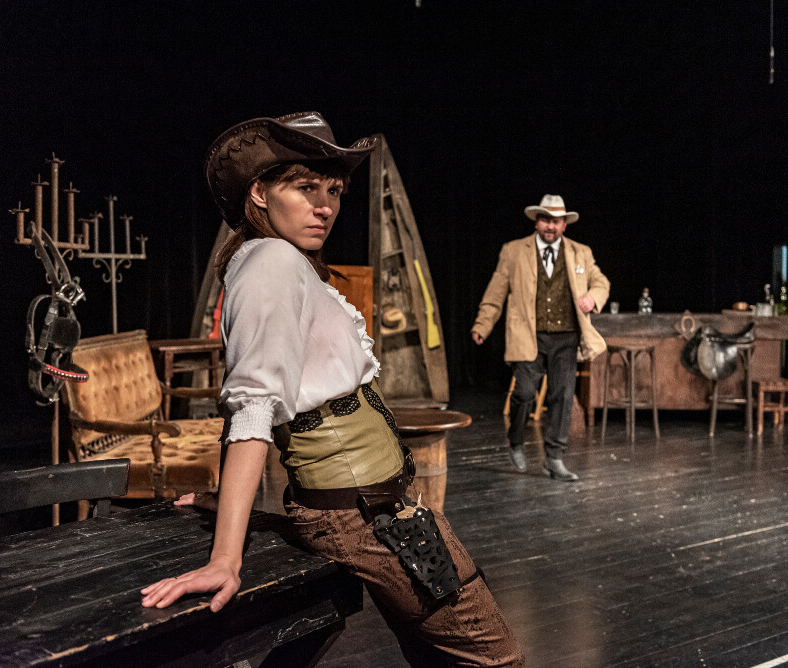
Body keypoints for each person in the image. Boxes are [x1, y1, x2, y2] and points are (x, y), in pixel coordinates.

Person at [140, 113, 524, 667]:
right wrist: (225, 556)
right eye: (305, 188)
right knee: (497, 660)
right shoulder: (271, 261)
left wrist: (228, 504)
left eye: (334, 191)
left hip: (376, 507)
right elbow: (252, 406)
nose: (325, 206)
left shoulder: (286, 262)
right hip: (362, 515)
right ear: (259, 192)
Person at [471, 195, 609, 482]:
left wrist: (592, 298)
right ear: (536, 221)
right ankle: (516, 440)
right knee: (523, 392)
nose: (550, 226)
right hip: (528, 334)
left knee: (562, 396)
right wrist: (483, 324)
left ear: (564, 225)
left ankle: (554, 458)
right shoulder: (514, 251)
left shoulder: (580, 252)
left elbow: (601, 282)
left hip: (566, 336)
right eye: (545, 220)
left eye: (556, 221)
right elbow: (496, 291)